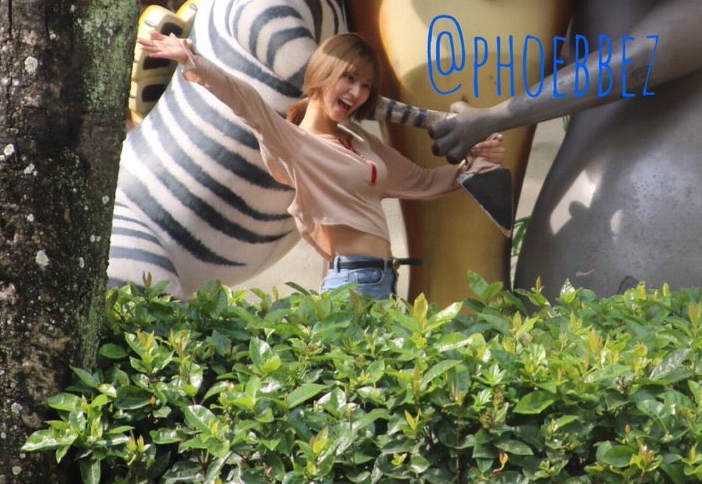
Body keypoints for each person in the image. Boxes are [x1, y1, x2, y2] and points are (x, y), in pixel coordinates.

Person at [137, 30, 505, 298]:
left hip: (383, 280)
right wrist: (193, 60)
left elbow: (423, 181)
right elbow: (246, 101)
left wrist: (476, 161)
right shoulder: (295, 143)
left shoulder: (359, 140)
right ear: (323, 73)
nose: (356, 93)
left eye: (365, 85)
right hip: (353, 283)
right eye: (349, 78)